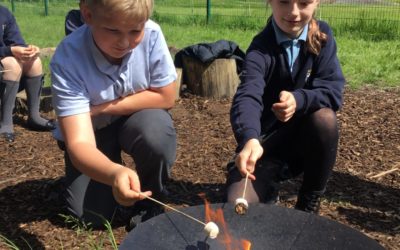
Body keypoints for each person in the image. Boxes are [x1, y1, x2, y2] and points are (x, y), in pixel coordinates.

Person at [50, 0, 177, 228]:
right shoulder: (68, 57)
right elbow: (79, 142)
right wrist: (113, 172)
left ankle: (150, 198)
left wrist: (104, 107)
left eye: (135, 31)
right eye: (113, 30)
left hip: (135, 120)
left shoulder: (152, 34)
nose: (125, 42)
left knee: (156, 130)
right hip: (93, 131)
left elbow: (166, 97)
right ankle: (104, 176)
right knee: (90, 218)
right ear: (88, 15)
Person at [226, 0, 345, 214]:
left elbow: (333, 91)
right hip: (266, 147)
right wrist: (250, 138)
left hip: (305, 141)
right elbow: (247, 96)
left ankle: (310, 199)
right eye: (284, 2)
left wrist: (299, 100)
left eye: (304, 3)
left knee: (325, 119)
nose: (294, 12)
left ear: (316, 2)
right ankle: (269, 184)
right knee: (239, 204)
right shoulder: (261, 48)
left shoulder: (323, 36)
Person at [0, 6, 56, 142]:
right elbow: (10, 50)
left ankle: (34, 117)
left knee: (34, 61)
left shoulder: (3, 12)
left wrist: (29, 50)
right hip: (6, 67)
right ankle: (5, 123)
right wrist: (9, 51)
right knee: (11, 64)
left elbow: (16, 42)